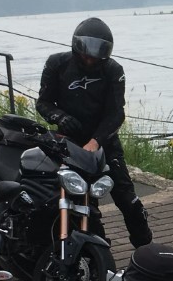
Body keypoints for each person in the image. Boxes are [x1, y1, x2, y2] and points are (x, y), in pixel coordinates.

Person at [36, 17, 152, 248]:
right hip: (69, 143)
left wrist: (96, 141)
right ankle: (95, 249)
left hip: (104, 142)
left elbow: (116, 114)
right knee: (81, 200)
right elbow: (43, 103)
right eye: (86, 56)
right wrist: (60, 117)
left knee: (128, 200)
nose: (90, 61)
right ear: (76, 48)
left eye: (96, 58)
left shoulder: (113, 70)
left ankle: (146, 250)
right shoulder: (57, 64)